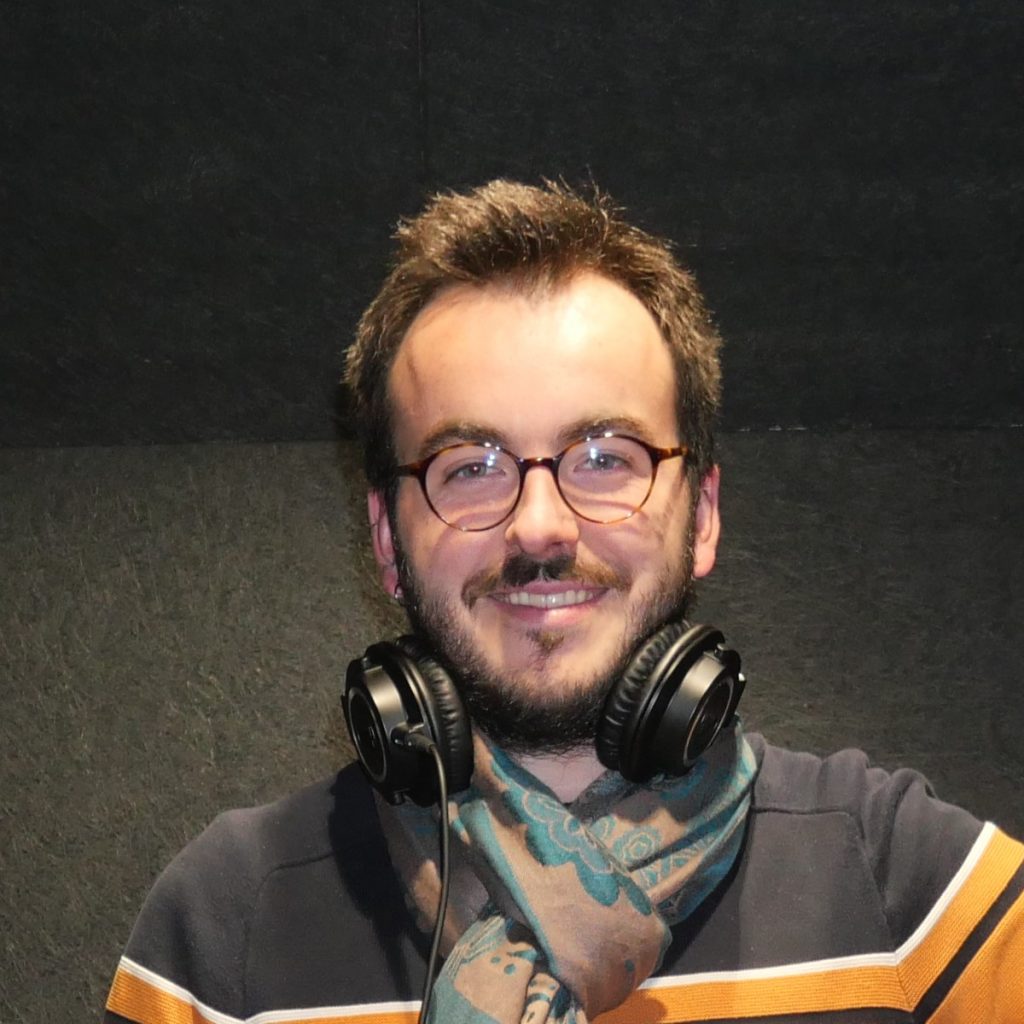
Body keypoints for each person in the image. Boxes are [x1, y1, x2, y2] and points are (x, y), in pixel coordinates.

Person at [105, 180, 1024, 1024]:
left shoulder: (915, 894)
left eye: (604, 458)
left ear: (703, 514)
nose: (540, 527)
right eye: (471, 468)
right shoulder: (224, 929)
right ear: (386, 539)